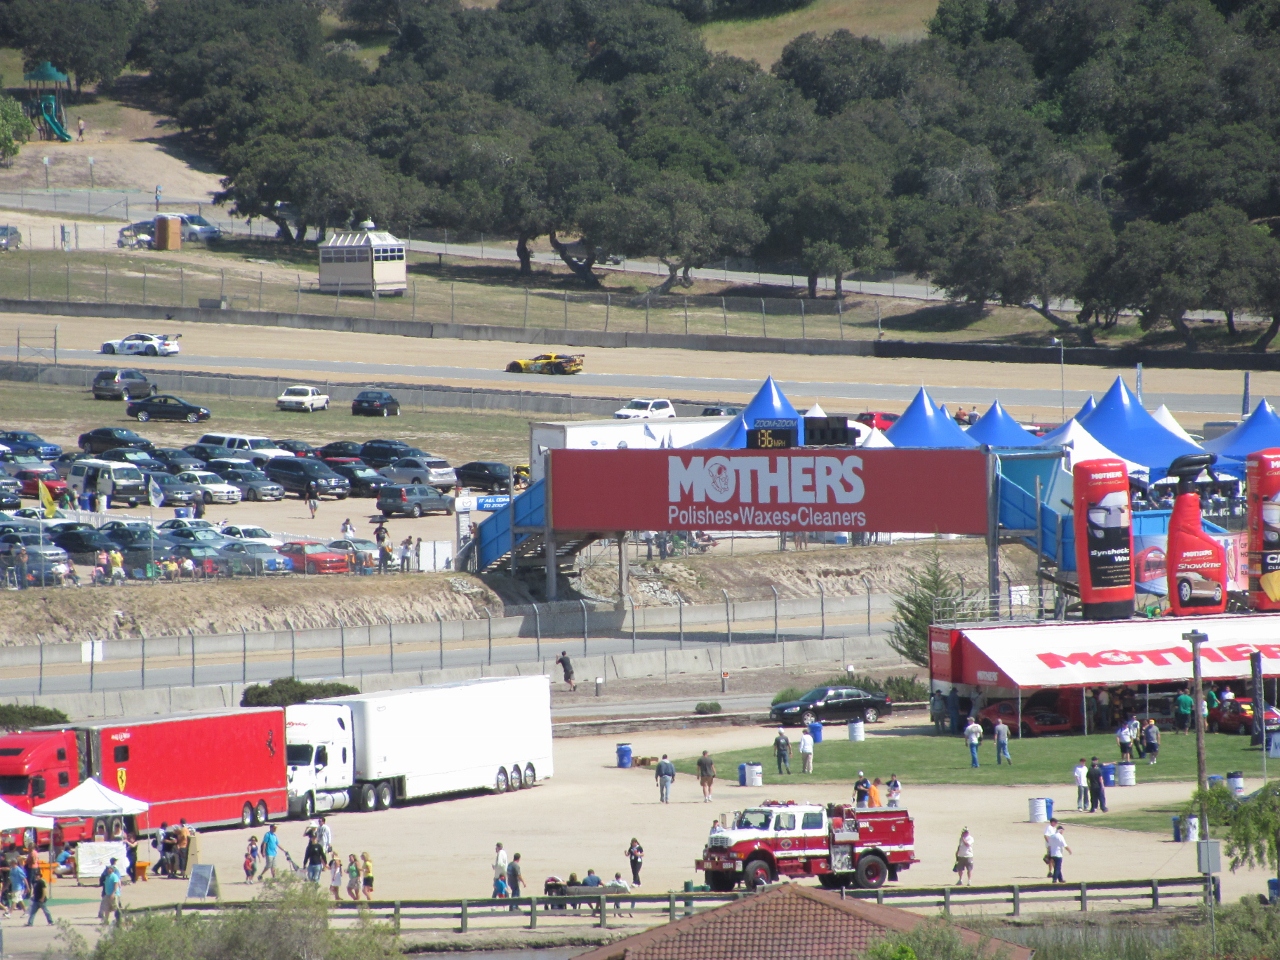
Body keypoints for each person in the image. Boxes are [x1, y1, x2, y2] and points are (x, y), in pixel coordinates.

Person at [99, 859, 121, 925]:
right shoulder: (107, 876)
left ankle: (119, 920)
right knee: (106, 908)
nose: (108, 870)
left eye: (110, 869)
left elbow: (116, 885)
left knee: (115, 908)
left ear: (112, 870)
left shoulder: (114, 876)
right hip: (107, 894)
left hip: (114, 895)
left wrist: (113, 893)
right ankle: (106, 921)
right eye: (108, 869)